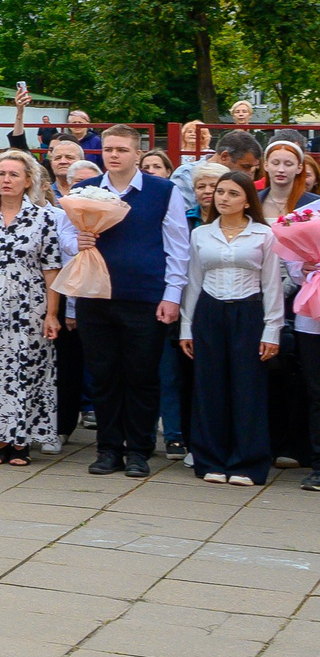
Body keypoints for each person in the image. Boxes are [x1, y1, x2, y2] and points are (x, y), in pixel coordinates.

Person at [71, 125, 189, 480]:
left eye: (121, 149)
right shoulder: (84, 191)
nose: (113, 155)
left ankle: (138, 450)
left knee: (141, 375)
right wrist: (77, 240)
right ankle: (108, 449)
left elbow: (179, 248)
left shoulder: (163, 191)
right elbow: (64, 238)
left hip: (144, 297)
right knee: (104, 375)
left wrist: (172, 296)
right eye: (108, 149)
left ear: (138, 153)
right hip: (96, 295)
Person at [0, 151, 65, 467]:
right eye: (2, 174)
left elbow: (51, 267)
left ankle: (21, 442)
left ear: (28, 181)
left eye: (14, 174)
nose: (6, 179)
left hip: (29, 306)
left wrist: (52, 313)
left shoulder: (44, 218)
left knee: (25, 370)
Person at [180, 172, 284, 486]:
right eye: (220, 192)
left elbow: (272, 285)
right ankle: (211, 459)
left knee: (247, 388)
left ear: (247, 199)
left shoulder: (263, 235)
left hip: (249, 312)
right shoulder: (201, 234)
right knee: (209, 388)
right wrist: (186, 327)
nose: (223, 198)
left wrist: (272, 330)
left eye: (232, 193)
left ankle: (247, 463)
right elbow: (193, 282)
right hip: (209, 312)